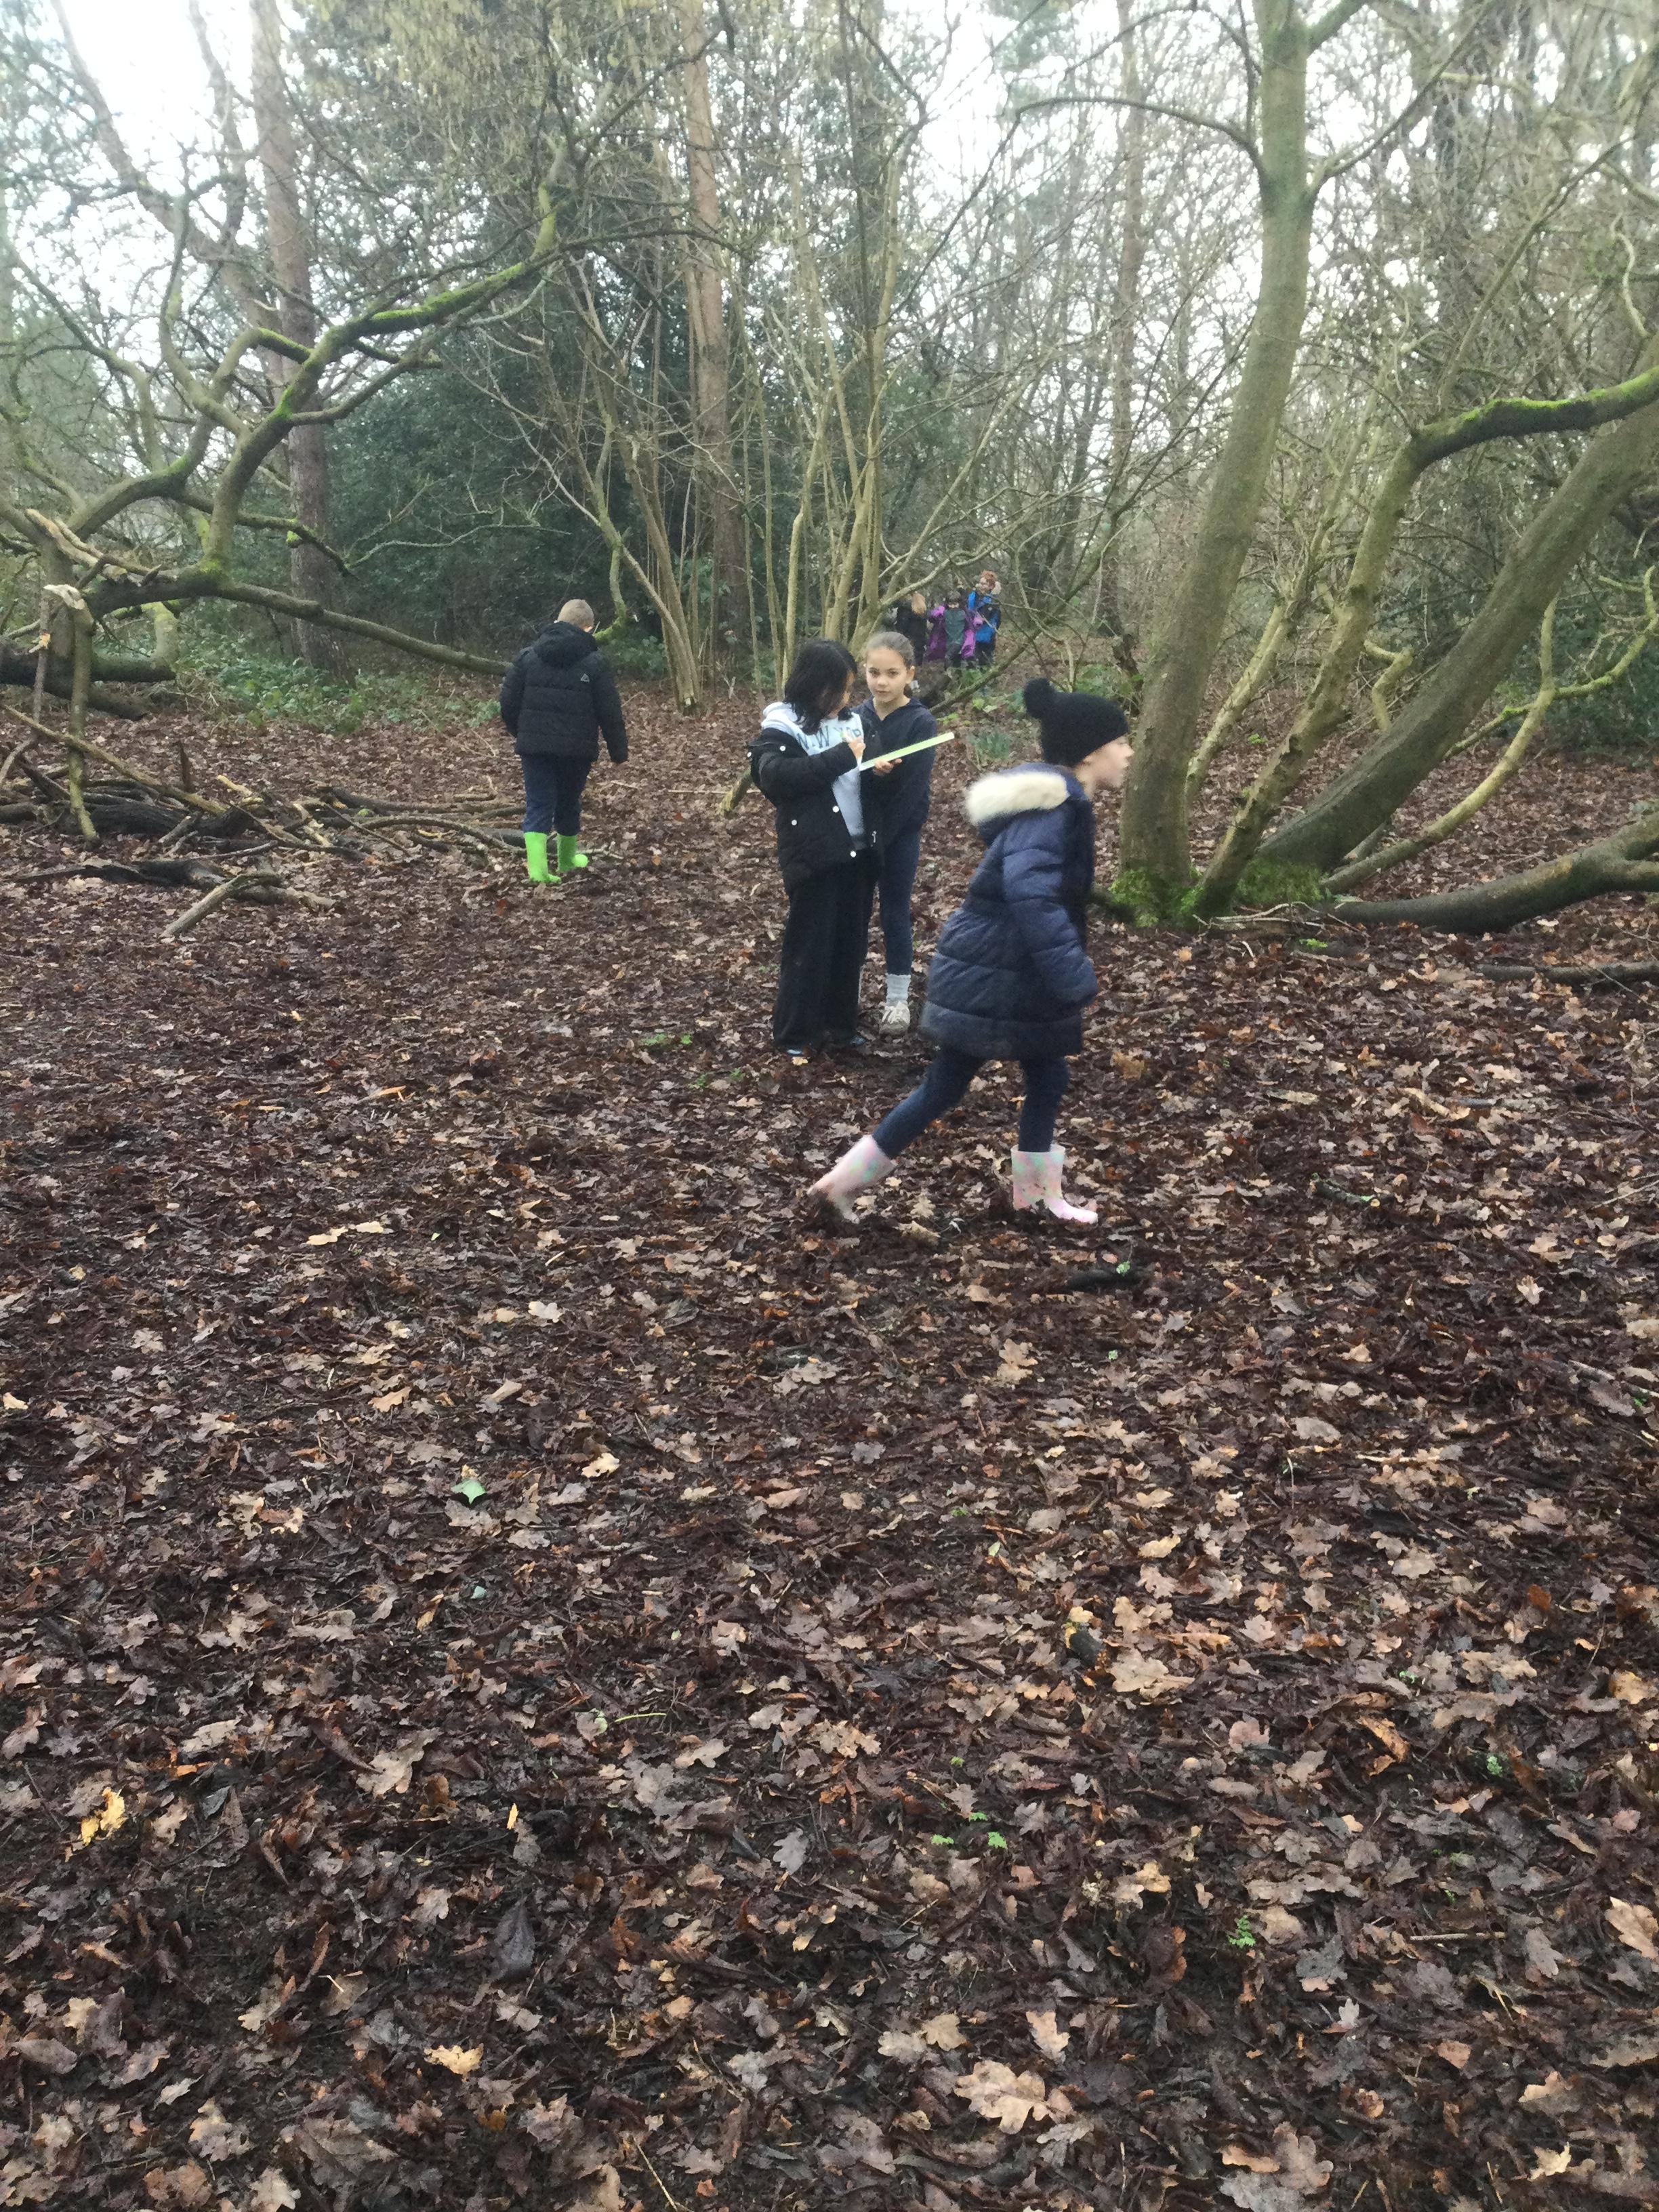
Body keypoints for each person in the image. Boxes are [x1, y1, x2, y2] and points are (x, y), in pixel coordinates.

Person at [810, 676, 1132, 1223]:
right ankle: (842, 1185)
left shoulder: (1058, 803)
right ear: (1089, 752)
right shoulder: (1054, 810)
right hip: (1001, 971)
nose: (1128, 753)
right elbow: (1030, 892)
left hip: (1006, 967)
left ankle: (1033, 1197)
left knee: (1036, 1077)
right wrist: (1072, 971)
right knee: (951, 1084)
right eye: (1120, 742)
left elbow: (1038, 885)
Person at [750, 638, 872, 1068]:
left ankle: (840, 1023)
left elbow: (860, 773)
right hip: (814, 852)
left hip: (859, 848)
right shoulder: (781, 727)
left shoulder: (854, 722)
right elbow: (776, 778)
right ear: (815, 686)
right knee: (810, 943)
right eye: (839, 689)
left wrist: (878, 767)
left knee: (850, 942)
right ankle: (795, 1031)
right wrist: (841, 758)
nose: (846, 699)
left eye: (850, 689)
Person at [499, 598, 628, 882]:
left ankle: (538, 870)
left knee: (538, 802)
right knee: (569, 801)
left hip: (535, 748)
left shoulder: (527, 657)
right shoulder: (595, 663)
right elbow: (610, 710)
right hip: (576, 749)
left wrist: (521, 731)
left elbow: (508, 702)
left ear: (557, 621)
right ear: (589, 628)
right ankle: (567, 860)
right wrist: (618, 750)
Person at [859, 628, 938, 1035]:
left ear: (910, 673)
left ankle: (897, 1000)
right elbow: (845, 775)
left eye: (892, 673)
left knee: (894, 911)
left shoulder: (921, 722)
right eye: (874, 673)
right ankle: (846, 991)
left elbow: (913, 790)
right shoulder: (854, 717)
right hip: (856, 831)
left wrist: (884, 839)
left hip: (899, 834)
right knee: (854, 912)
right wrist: (868, 772)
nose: (882, 682)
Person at [928, 588, 972, 672]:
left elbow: (971, 624)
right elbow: (932, 617)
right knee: (956, 661)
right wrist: (936, 613)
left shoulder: (964, 613)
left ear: (960, 603)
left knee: (948, 657)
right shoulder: (945, 612)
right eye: (950, 604)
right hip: (948, 641)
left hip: (959, 641)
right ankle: (956, 676)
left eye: (955, 604)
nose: (953, 607)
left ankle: (948, 673)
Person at [968, 571, 1002, 673]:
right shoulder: (974, 596)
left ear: (990, 586)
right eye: (980, 583)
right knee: (972, 660)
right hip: (974, 634)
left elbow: (988, 616)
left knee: (986, 661)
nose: (981, 586)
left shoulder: (994, 601)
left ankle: (988, 679)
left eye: (984, 584)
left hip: (987, 635)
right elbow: (970, 609)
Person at [892, 590, 930, 663]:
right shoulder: (923, 609)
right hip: (920, 638)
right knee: (918, 658)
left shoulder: (905, 608)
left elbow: (902, 625)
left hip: (908, 637)